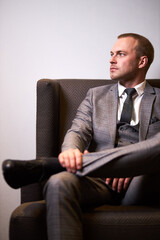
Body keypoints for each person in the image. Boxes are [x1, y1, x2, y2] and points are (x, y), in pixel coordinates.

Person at [2, 33, 160, 240]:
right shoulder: (96, 96)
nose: (112, 59)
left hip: (144, 181)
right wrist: (70, 153)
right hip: (100, 180)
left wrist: (132, 167)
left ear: (142, 61)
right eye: (111, 54)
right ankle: (60, 166)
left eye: (120, 54)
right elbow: (77, 131)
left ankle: (49, 165)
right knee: (59, 182)